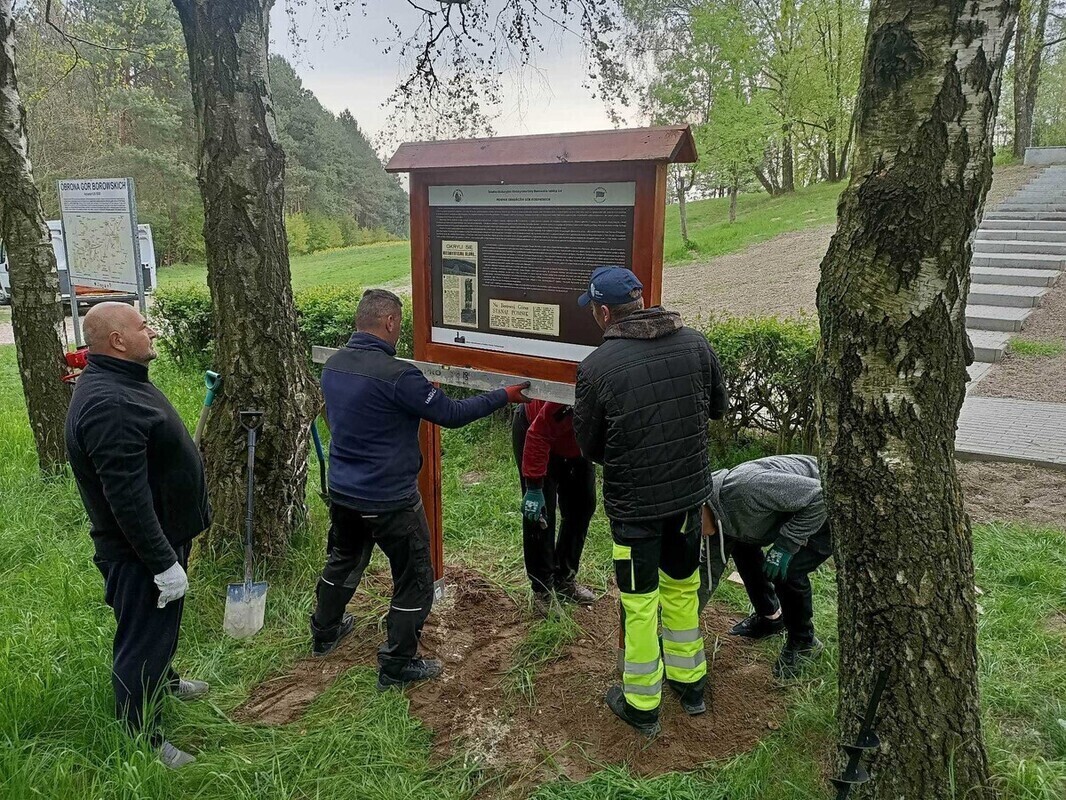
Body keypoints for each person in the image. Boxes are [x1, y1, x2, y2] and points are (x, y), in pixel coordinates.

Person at [309, 289, 530, 690]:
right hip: (390, 500)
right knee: (415, 577)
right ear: (391, 323)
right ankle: (396, 665)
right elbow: (453, 414)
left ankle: (324, 632)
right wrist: (504, 395)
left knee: (342, 559)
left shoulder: (335, 365)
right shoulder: (399, 376)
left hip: (343, 491)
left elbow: (372, 407)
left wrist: (417, 393)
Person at [573, 266, 728, 736]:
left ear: (604, 312)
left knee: (640, 602)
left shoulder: (597, 367)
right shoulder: (696, 343)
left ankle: (642, 704)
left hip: (634, 507)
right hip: (689, 499)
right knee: (683, 587)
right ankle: (691, 682)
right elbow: (719, 409)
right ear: (642, 301)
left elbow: (588, 444)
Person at [65, 302, 211, 769]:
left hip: (161, 540)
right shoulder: (111, 404)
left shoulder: (123, 382)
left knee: (159, 632)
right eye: (143, 326)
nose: (152, 332)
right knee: (141, 643)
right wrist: (162, 563)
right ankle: (142, 741)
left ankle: (165, 681)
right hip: (139, 554)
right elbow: (125, 499)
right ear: (117, 341)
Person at [699, 454, 830, 679]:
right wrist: (679, 627)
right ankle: (771, 617)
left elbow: (820, 496)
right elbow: (706, 575)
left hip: (823, 511)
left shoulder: (747, 488)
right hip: (794, 510)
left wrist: (785, 547)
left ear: (701, 506)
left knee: (788, 571)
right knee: (742, 547)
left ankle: (804, 642)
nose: (694, 535)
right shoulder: (713, 522)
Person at [512, 400, 597, 614]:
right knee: (540, 515)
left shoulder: (613, 396)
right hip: (536, 432)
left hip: (576, 443)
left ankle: (564, 578)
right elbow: (538, 433)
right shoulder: (566, 397)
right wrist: (533, 486)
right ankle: (542, 589)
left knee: (583, 505)